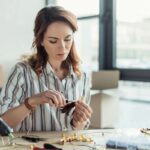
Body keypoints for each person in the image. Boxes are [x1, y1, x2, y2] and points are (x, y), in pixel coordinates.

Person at [0, 6, 93, 132]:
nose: (63, 47)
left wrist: (79, 121)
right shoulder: (21, 71)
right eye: (53, 41)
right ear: (41, 41)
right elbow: (3, 123)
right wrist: (31, 102)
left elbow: (79, 129)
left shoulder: (82, 75)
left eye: (67, 39)